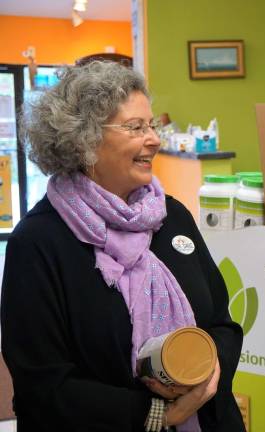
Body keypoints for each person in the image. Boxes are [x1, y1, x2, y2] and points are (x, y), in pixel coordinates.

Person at [0, 61, 245, 432]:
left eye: (152, 125)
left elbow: (222, 323)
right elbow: (42, 388)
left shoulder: (171, 216)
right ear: (84, 140)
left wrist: (207, 372)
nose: (155, 139)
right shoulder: (38, 244)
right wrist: (156, 413)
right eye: (135, 127)